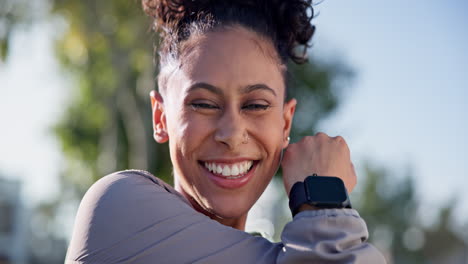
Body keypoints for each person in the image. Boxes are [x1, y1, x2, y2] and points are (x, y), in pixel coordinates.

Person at [65, 0, 386, 263]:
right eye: (204, 104)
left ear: (285, 123)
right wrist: (323, 199)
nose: (232, 134)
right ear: (160, 117)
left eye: (256, 105)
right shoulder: (118, 210)